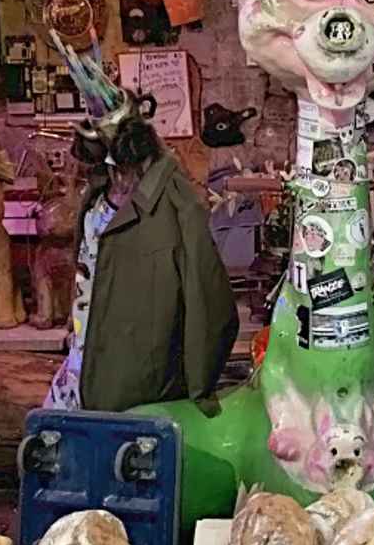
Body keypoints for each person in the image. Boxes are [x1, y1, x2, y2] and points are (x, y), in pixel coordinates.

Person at [44, 39, 238, 413]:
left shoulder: (175, 204)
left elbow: (212, 306)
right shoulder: (97, 198)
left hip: (137, 394)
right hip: (79, 377)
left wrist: (198, 390)